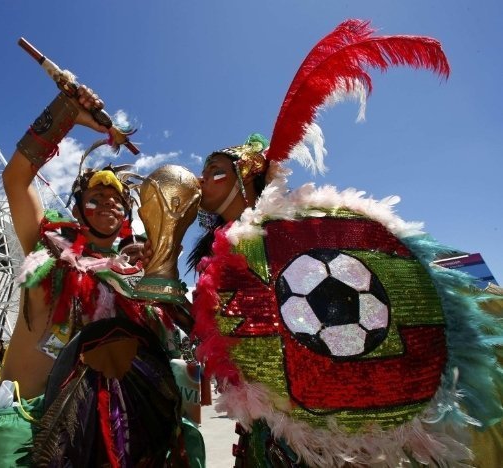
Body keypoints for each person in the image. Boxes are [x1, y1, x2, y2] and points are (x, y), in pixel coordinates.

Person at [188, 20, 501, 468]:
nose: (202, 179)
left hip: (326, 439)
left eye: (216, 170)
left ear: (246, 178)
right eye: (203, 171)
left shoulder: (297, 231)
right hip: (262, 434)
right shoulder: (215, 257)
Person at [0, 80, 200, 467]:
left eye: (117, 202)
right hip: (22, 423)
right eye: (96, 197)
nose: (108, 204)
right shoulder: (46, 246)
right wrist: (66, 112)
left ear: (126, 218)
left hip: (100, 434)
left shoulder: (134, 278)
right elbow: (15, 178)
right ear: (77, 208)